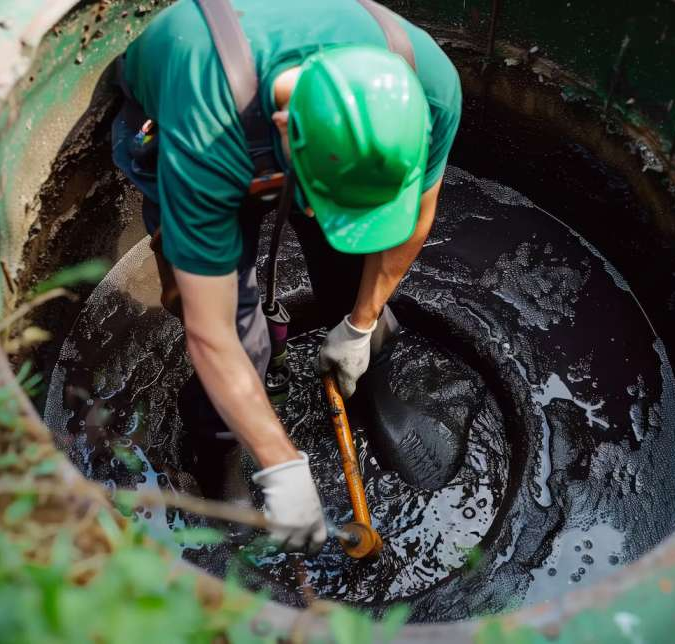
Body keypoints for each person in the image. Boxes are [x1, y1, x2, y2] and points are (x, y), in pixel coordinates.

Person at [111, 0, 461, 554]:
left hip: (295, 146)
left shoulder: (428, 87)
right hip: (192, 130)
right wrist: (283, 468)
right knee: (239, 337)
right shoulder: (205, 124)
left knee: (357, 284)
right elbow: (211, 332)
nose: (322, 221)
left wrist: (361, 324)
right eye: (322, 204)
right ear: (284, 128)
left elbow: (416, 219)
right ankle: (217, 457)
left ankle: (374, 393)